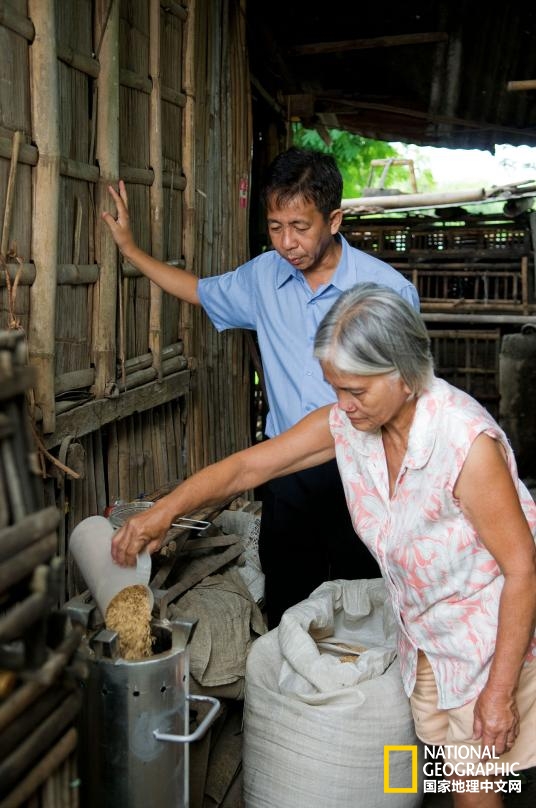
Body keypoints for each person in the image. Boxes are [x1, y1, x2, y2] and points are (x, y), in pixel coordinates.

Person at [111, 283, 536, 807]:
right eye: (337, 389)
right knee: (461, 772)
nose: (344, 406)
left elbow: (522, 569)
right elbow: (250, 466)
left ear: (403, 375)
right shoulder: (353, 424)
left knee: (477, 783)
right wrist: (163, 513)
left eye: (356, 390)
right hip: (426, 634)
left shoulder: (465, 446)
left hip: (487, 637)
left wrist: (498, 692)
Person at [102, 147, 419, 627]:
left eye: (300, 227)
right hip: (286, 472)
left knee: (370, 604)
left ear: (334, 219)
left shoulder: (387, 293)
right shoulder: (263, 277)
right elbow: (199, 290)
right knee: (288, 599)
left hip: (366, 468)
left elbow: (408, 401)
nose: (287, 243)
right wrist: (130, 250)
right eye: (275, 228)